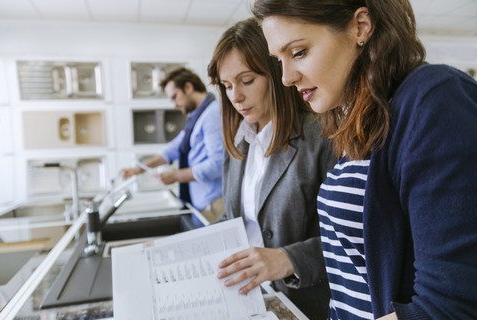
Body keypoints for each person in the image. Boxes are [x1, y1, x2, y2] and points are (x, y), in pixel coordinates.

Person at [252, 0, 477, 319]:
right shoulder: (360, 121)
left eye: (299, 52)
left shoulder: (435, 99)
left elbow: (449, 305)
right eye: (279, 60)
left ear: (361, 27)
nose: (286, 77)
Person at [207, 18, 337, 320]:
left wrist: (288, 259)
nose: (235, 96)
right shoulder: (240, 142)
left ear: (277, 71)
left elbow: (354, 238)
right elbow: (235, 217)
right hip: (251, 297)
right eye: (227, 86)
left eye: (247, 81)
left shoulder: (320, 137)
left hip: (307, 304)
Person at [121, 67, 225, 223]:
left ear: (188, 87)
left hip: (214, 205)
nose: (175, 104)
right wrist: (140, 169)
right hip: (203, 205)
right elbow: (173, 148)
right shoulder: (197, 117)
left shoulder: (212, 114)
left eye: (175, 97)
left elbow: (218, 164)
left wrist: (176, 176)